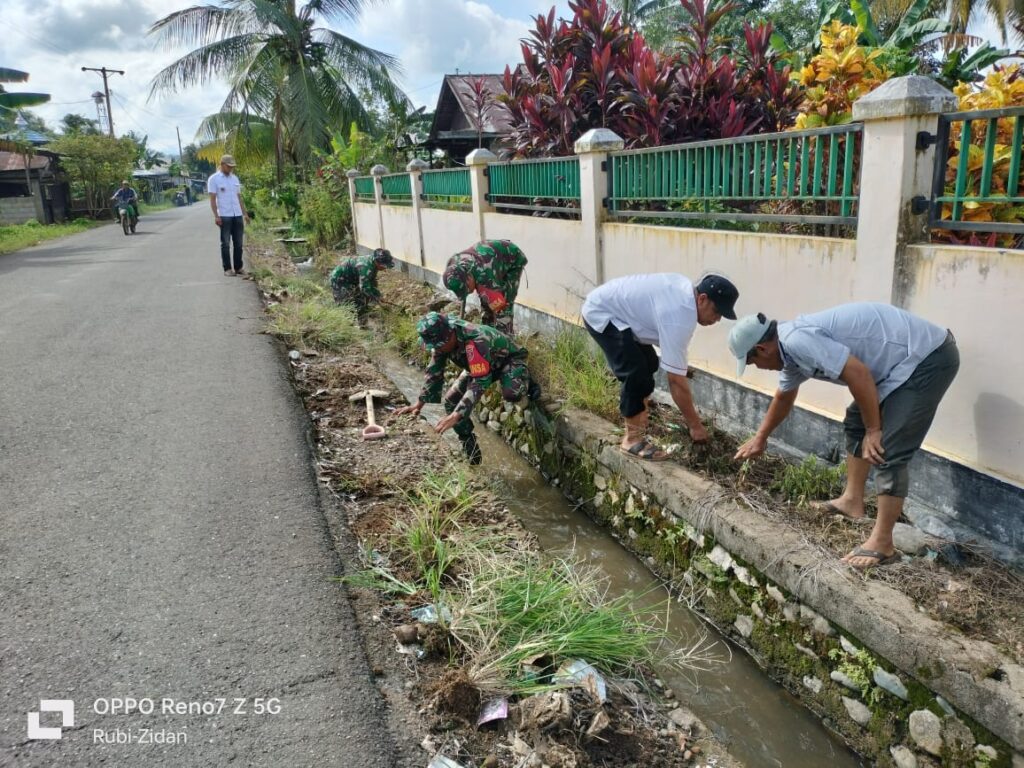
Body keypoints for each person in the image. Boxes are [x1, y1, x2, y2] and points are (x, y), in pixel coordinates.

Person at [728, 303, 959, 570]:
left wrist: (874, 430)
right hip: (899, 367)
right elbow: (784, 396)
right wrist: (760, 438)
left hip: (927, 358)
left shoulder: (797, 341)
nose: (757, 367)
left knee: (888, 448)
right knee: (856, 421)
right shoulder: (789, 353)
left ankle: (883, 542)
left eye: (752, 361)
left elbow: (857, 374)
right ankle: (852, 501)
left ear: (762, 349)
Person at [582, 273, 739, 461]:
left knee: (650, 362)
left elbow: (665, 332)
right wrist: (695, 426)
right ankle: (631, 439)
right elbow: (676, 383)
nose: (718, 319)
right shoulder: (681, 315)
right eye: (717, 311)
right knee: (636, 374)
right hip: (601, 313)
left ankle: (640, 416)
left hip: (621, 314)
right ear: (702, 299)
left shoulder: (685, 293)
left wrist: (680, 367)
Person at [394, 312, 540, 465]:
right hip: (476, 365)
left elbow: (480, 382)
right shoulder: (442, 342)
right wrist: (419, 403)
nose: (438, 349)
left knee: (513, 393)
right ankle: (469, 445)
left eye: (439, 345)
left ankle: (526, 377)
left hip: (506, 361)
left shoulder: (476, 340)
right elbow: (434, 372)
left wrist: (456, 415)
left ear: (450, 335)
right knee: (451, 401)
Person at [443, 239, 528, 334]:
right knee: (486, 302)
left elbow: (501, 309)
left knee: (504, 302)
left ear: (469, 277)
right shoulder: (452, 266)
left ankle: (506, 338)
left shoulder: (486, 278)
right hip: (488, 257)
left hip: (512, 258)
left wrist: (501, 338)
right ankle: (487, 331)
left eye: (466, 289)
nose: (467, 292)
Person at [207, 154, 250, 276]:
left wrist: (245, 214)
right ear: (222, 164)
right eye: (228, 166)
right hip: (224, 215)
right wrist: (216, 216)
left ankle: (238, 267)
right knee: (225, 243)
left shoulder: (235, 179)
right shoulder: (214, 179)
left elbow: (239, 197)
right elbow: (212, 199)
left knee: (239, 243)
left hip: (237, 215)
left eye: (232, 167)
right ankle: (227, 269)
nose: (231, 169)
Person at [330, 249, 394, 313]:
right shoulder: (365, 267)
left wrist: (378, 295)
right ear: (377, 262)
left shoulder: (373, 263)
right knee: (345, 304)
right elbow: (364, 288)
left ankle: (362, 315)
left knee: (359, 301)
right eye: (384, 266)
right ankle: (343, 318)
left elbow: (371, 282)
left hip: (352, 279)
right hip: (339, 279)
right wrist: (377, 299)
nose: (385, 268)